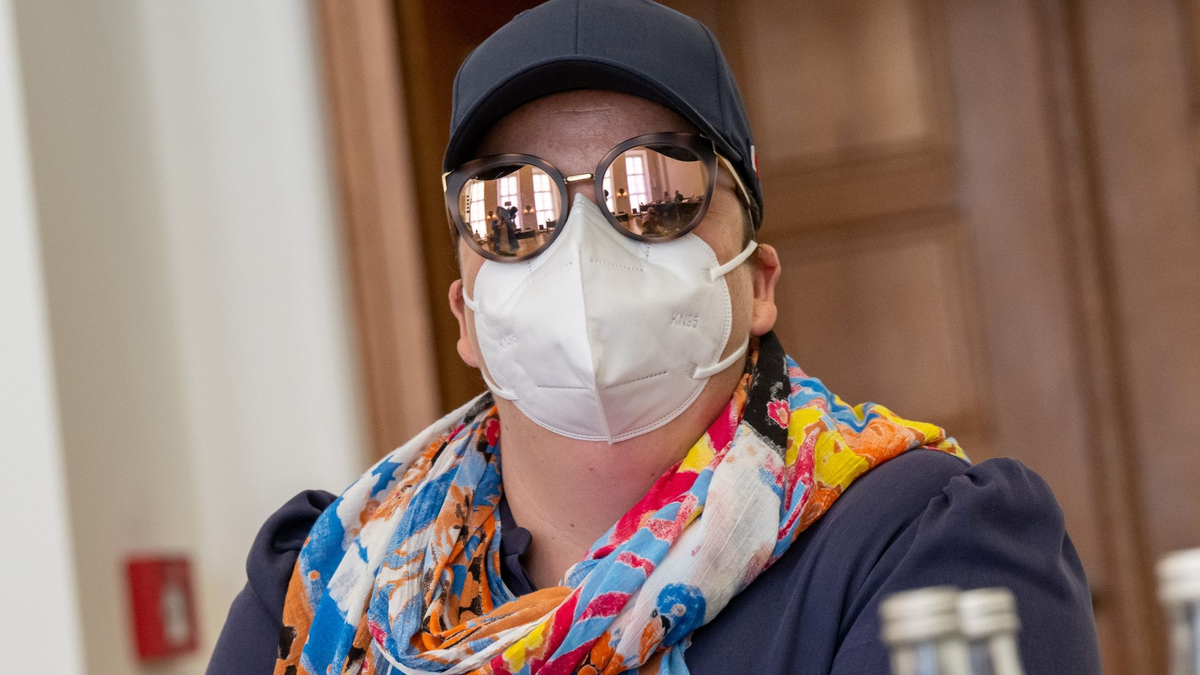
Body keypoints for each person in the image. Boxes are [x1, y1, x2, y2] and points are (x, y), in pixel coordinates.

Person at [208, 2, 1102, 674]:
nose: (580, 252)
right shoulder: (323, 585)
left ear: (758, 282)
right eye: (513, 208)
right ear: (465, 316)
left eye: (654, 193)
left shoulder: (921, 546)